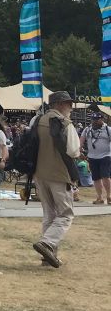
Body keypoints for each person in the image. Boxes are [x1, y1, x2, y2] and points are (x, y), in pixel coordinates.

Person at [31, 91, 81, 268]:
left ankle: (48, 256)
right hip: (59, 173)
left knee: (49, 214)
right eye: (68, 104)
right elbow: (74, 151)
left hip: (39, 173)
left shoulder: (37, 121)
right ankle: (47, 244)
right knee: (66, 214)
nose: (70, 107)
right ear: (60, 104)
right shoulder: (65, 124)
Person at [81, 112, 111, 205]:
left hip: (105, 155)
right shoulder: (87, 129)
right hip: (92, 156)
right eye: (93, 119)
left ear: (102, 119)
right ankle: (99, 197)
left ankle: (109, 196)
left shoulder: (108, 129)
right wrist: (79, 149)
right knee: (96, 178)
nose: (95, 121)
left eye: (97, 119)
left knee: (105, 176)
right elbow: (82, 139)